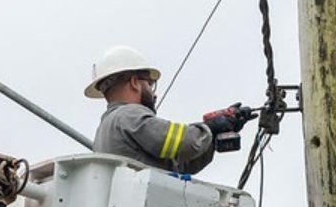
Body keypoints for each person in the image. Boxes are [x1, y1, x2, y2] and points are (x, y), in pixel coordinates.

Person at [88, 45, 252, 175]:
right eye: (150, 85)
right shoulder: (128, 115)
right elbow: (184, 142)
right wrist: (210, 127)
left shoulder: (105, 129)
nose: (154, 93)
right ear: (134, 83)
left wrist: (212, 137)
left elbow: (178, 165)